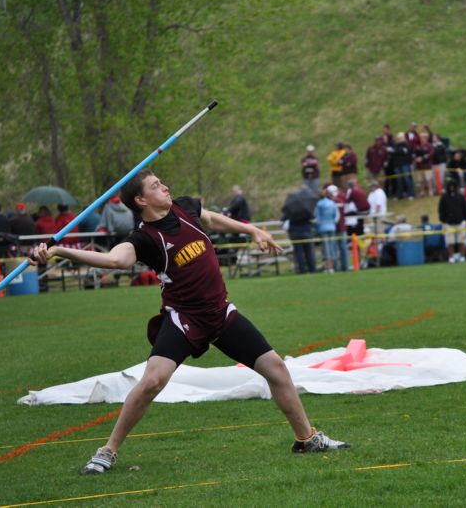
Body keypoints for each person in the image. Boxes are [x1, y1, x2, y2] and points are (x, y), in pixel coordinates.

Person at [28, 170, 349, 474]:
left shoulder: (185, 208)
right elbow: (116, 260)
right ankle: (108, 451)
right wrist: (58, 251)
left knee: (276, 368)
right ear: (141, 201)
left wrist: (251, 230)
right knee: (152, 381)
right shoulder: (144, 239)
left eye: (161, 182)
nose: (164, 187)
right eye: (155, 186)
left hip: (220, 313)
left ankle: (307, 439)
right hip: (184, 320)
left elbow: (211, 218)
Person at [282, 185, 317, 274]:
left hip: (294, 232)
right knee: (309, 251)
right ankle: (312, 269)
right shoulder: (307, 208)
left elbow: (284, 218)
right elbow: (313, 217)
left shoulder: (291, 207)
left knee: (299, 252)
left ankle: (302, 270)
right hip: (306, 231)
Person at [438, 180, 466, 263]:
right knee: (450, 241)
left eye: (453, 186)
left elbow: (465, 208)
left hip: (460, 222)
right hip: (449, 224)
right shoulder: (444, 197)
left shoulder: (460, 197)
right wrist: (443, 220)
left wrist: (464, 219)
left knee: (461, 241)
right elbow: (441, 210)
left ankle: (462, 256)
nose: (452, 187)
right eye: (450, 186)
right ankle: (451, 257)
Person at [314, 186, 339, 274]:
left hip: (323, 228)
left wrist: (318, 225)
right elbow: (336, 217)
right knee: (332, 247)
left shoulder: (319, 204)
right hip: (332, 227)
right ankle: (332, 266)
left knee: (326, 248)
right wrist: (333, 223)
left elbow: (317, 217)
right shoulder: (332, 203)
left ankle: (328, 267)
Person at [392, 133, 415, 200]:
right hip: (397, 165)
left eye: (400, 138)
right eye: (398, 138)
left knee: (407, 179)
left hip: (405, 165)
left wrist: (398, 151)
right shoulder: (395, 146)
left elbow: (405, 152)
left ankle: (411, 194)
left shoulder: (406, 145)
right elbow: (394, 153)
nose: (399, 139)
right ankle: (400, 194)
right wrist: (399, 151)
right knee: (399, 180)